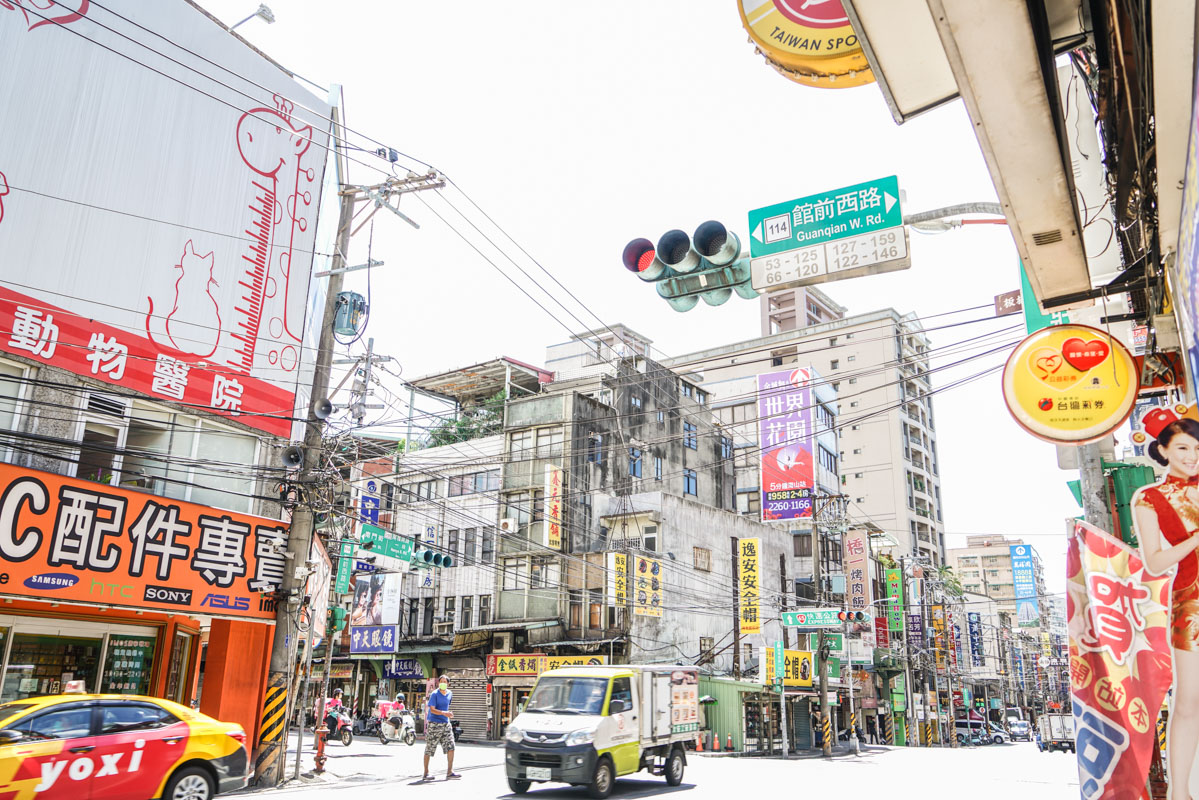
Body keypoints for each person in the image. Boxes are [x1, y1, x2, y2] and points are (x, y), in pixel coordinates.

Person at [1133, 411, 1199, 800]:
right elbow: (1155, 561)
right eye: (1183, 448)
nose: (1193, 456)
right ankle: (1180, 792)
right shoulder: (1149, 497)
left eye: (1197, 449)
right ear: (1163, 450)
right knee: (1189, 699)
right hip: (1191, 600)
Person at [422, 677, 460, 781]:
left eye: (444, 682)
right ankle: (426, 772)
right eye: (441, 682)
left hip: (446, 723)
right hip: (434, 723)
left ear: (448, 683)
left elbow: (447, 707)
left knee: (451, 746)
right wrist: (444, 713)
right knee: (430, 747)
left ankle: (450, 771)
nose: (442, 683)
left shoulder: (450, 693)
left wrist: (449, 713)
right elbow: (432, 710)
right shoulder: (434, 694)